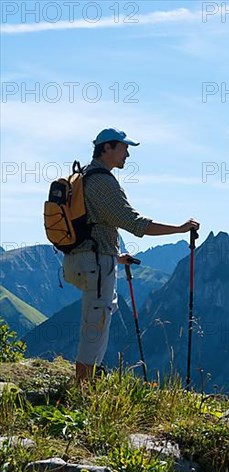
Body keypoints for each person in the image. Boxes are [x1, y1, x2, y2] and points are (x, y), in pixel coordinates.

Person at [62, 128, 200, 383]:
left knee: (95, 320)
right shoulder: (103, 181)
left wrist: (115, 256)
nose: (127, 154)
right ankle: (84, 390)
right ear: (107, 148)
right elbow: (135, 224)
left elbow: (89, 227)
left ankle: (85, 381)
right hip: (95, 265)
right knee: (96, 325)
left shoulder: (84, 177)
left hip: (79, 261)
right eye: (124, 148)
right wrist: (179, 229)